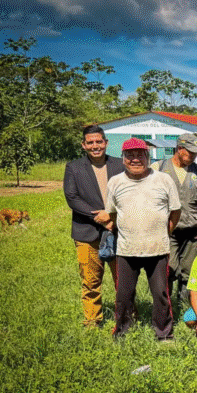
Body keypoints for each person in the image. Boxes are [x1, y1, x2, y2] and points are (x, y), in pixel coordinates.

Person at [99, 138, 181, 341]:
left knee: (161, 295)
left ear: (147, 156)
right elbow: (112, 213)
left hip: (158, 249)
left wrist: (164, 233)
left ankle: (164, 334)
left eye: (140, 155)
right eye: (130, 155)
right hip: (127, 250)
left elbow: (175, 212)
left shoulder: (163, 180)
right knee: (124, 296)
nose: (135, 159)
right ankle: (122, 332)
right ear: (123, 158)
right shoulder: (115, 182)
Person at [63, 124, 125, 327]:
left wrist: (112, 218)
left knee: (123, 280)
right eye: (90, 142)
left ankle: (126, 318)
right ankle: (92, 320)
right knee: (90, 281)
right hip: (86, 231)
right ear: (83, 145)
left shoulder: (120, 164)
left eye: (99, 141)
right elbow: (72, 198)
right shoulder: (74, 167)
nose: (95, 146)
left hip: (118, 230)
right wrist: (99, 216)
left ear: (106, 143)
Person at [153, 133, 197, 301]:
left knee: (190, 270)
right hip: (166, 230)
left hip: (193, 231)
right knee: (167, 269)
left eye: (196, 153)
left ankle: (186, 306)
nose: (194, 156)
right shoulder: (159, 167)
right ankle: (167, 308)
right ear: (180, 149)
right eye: (190, 152)